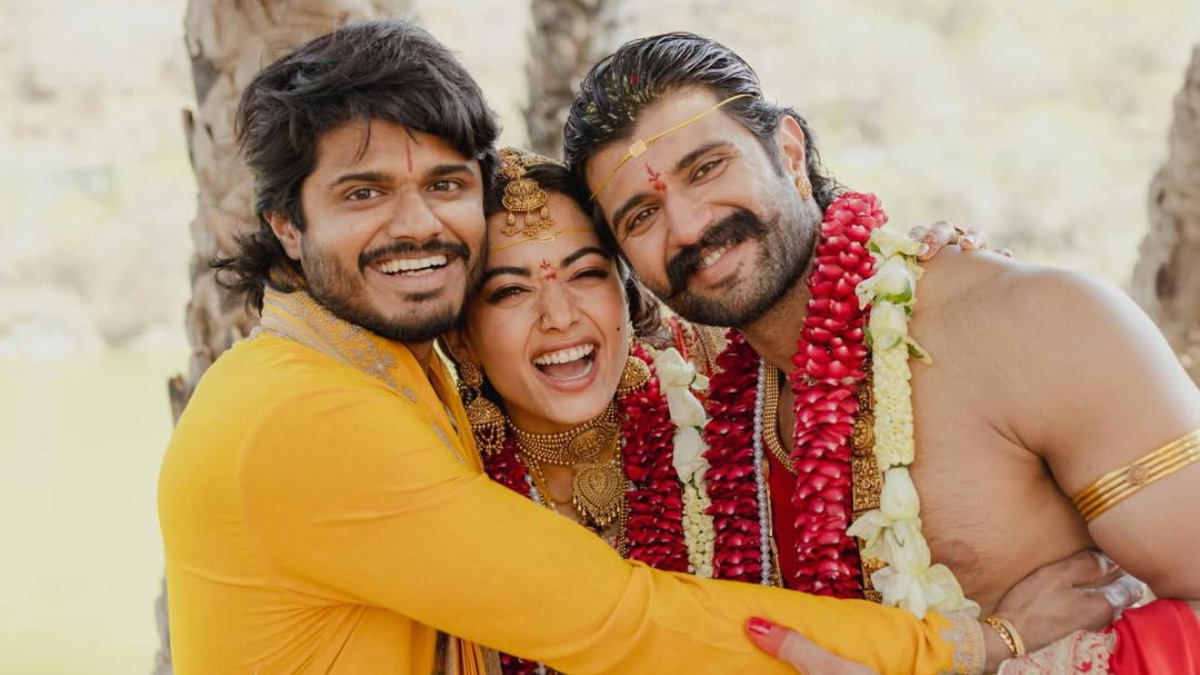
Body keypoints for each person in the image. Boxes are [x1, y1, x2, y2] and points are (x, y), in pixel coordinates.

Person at [157, 20, 1119, 675]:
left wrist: (915, 262)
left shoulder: (682, 400)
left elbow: (778, 271)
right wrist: (966, 646)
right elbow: (620, 619)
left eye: (445, 185)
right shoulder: (307, 412)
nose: (418, 226)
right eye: (363, 193)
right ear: (286, 225)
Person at [563, 31, 1200, 673]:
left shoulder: (1031, 324)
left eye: (706, 168)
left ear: (789, 152)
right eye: (641, 216)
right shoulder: (693, 413)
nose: (688, 226)